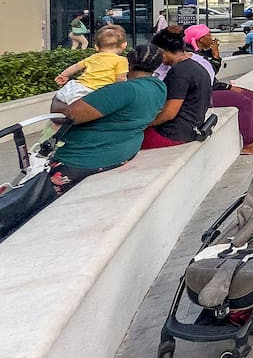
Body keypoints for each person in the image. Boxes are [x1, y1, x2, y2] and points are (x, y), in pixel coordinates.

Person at [0, 46, 168, 242]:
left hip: (81, 159)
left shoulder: (124, 90)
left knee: (22, 204)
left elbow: (65, 116)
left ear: (128, 62)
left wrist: (59, 97)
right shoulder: (158, 87)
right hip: (120, 153)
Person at [184, 25, 253, 155]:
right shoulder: (191, 56)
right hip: (201, 95)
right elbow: (207, 80)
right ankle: (248, 144)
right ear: (201, 39)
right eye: (209, 36)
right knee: (245, 102)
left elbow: (212, 72)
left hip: (210, 88)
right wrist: (228, 87)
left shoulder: (200, 53)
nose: (212, 38)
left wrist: (215, 54)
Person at [142, 27, 212, 148]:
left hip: (174, 133)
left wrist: (146, 124)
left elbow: (169, 113)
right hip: (191, 128)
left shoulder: (179, 73)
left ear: (163, 50)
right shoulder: (197, 67)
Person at [51, 25, 128, 113]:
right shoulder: (121, 60)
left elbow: (76, 66)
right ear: (124, 45)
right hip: (96, 92)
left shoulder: (93, 57)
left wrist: (64, 75)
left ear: (96, 47)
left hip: (77, 87)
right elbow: (120, 79)